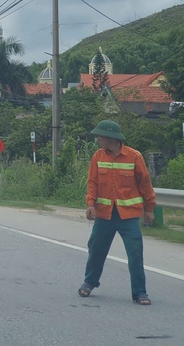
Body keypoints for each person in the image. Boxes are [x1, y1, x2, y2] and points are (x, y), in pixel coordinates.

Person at [78, 120, 156, 305]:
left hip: (128, 216)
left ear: (110, 138)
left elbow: (145, 184)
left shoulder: (134, 157)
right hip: (104, 214)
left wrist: (150, 209)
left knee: (135, 253)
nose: (98, 139)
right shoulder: (98, 157)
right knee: (96, 249)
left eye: (100, 136)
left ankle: (140, 293)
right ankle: (90, 282)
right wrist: (90, 204)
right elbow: (92, 183)